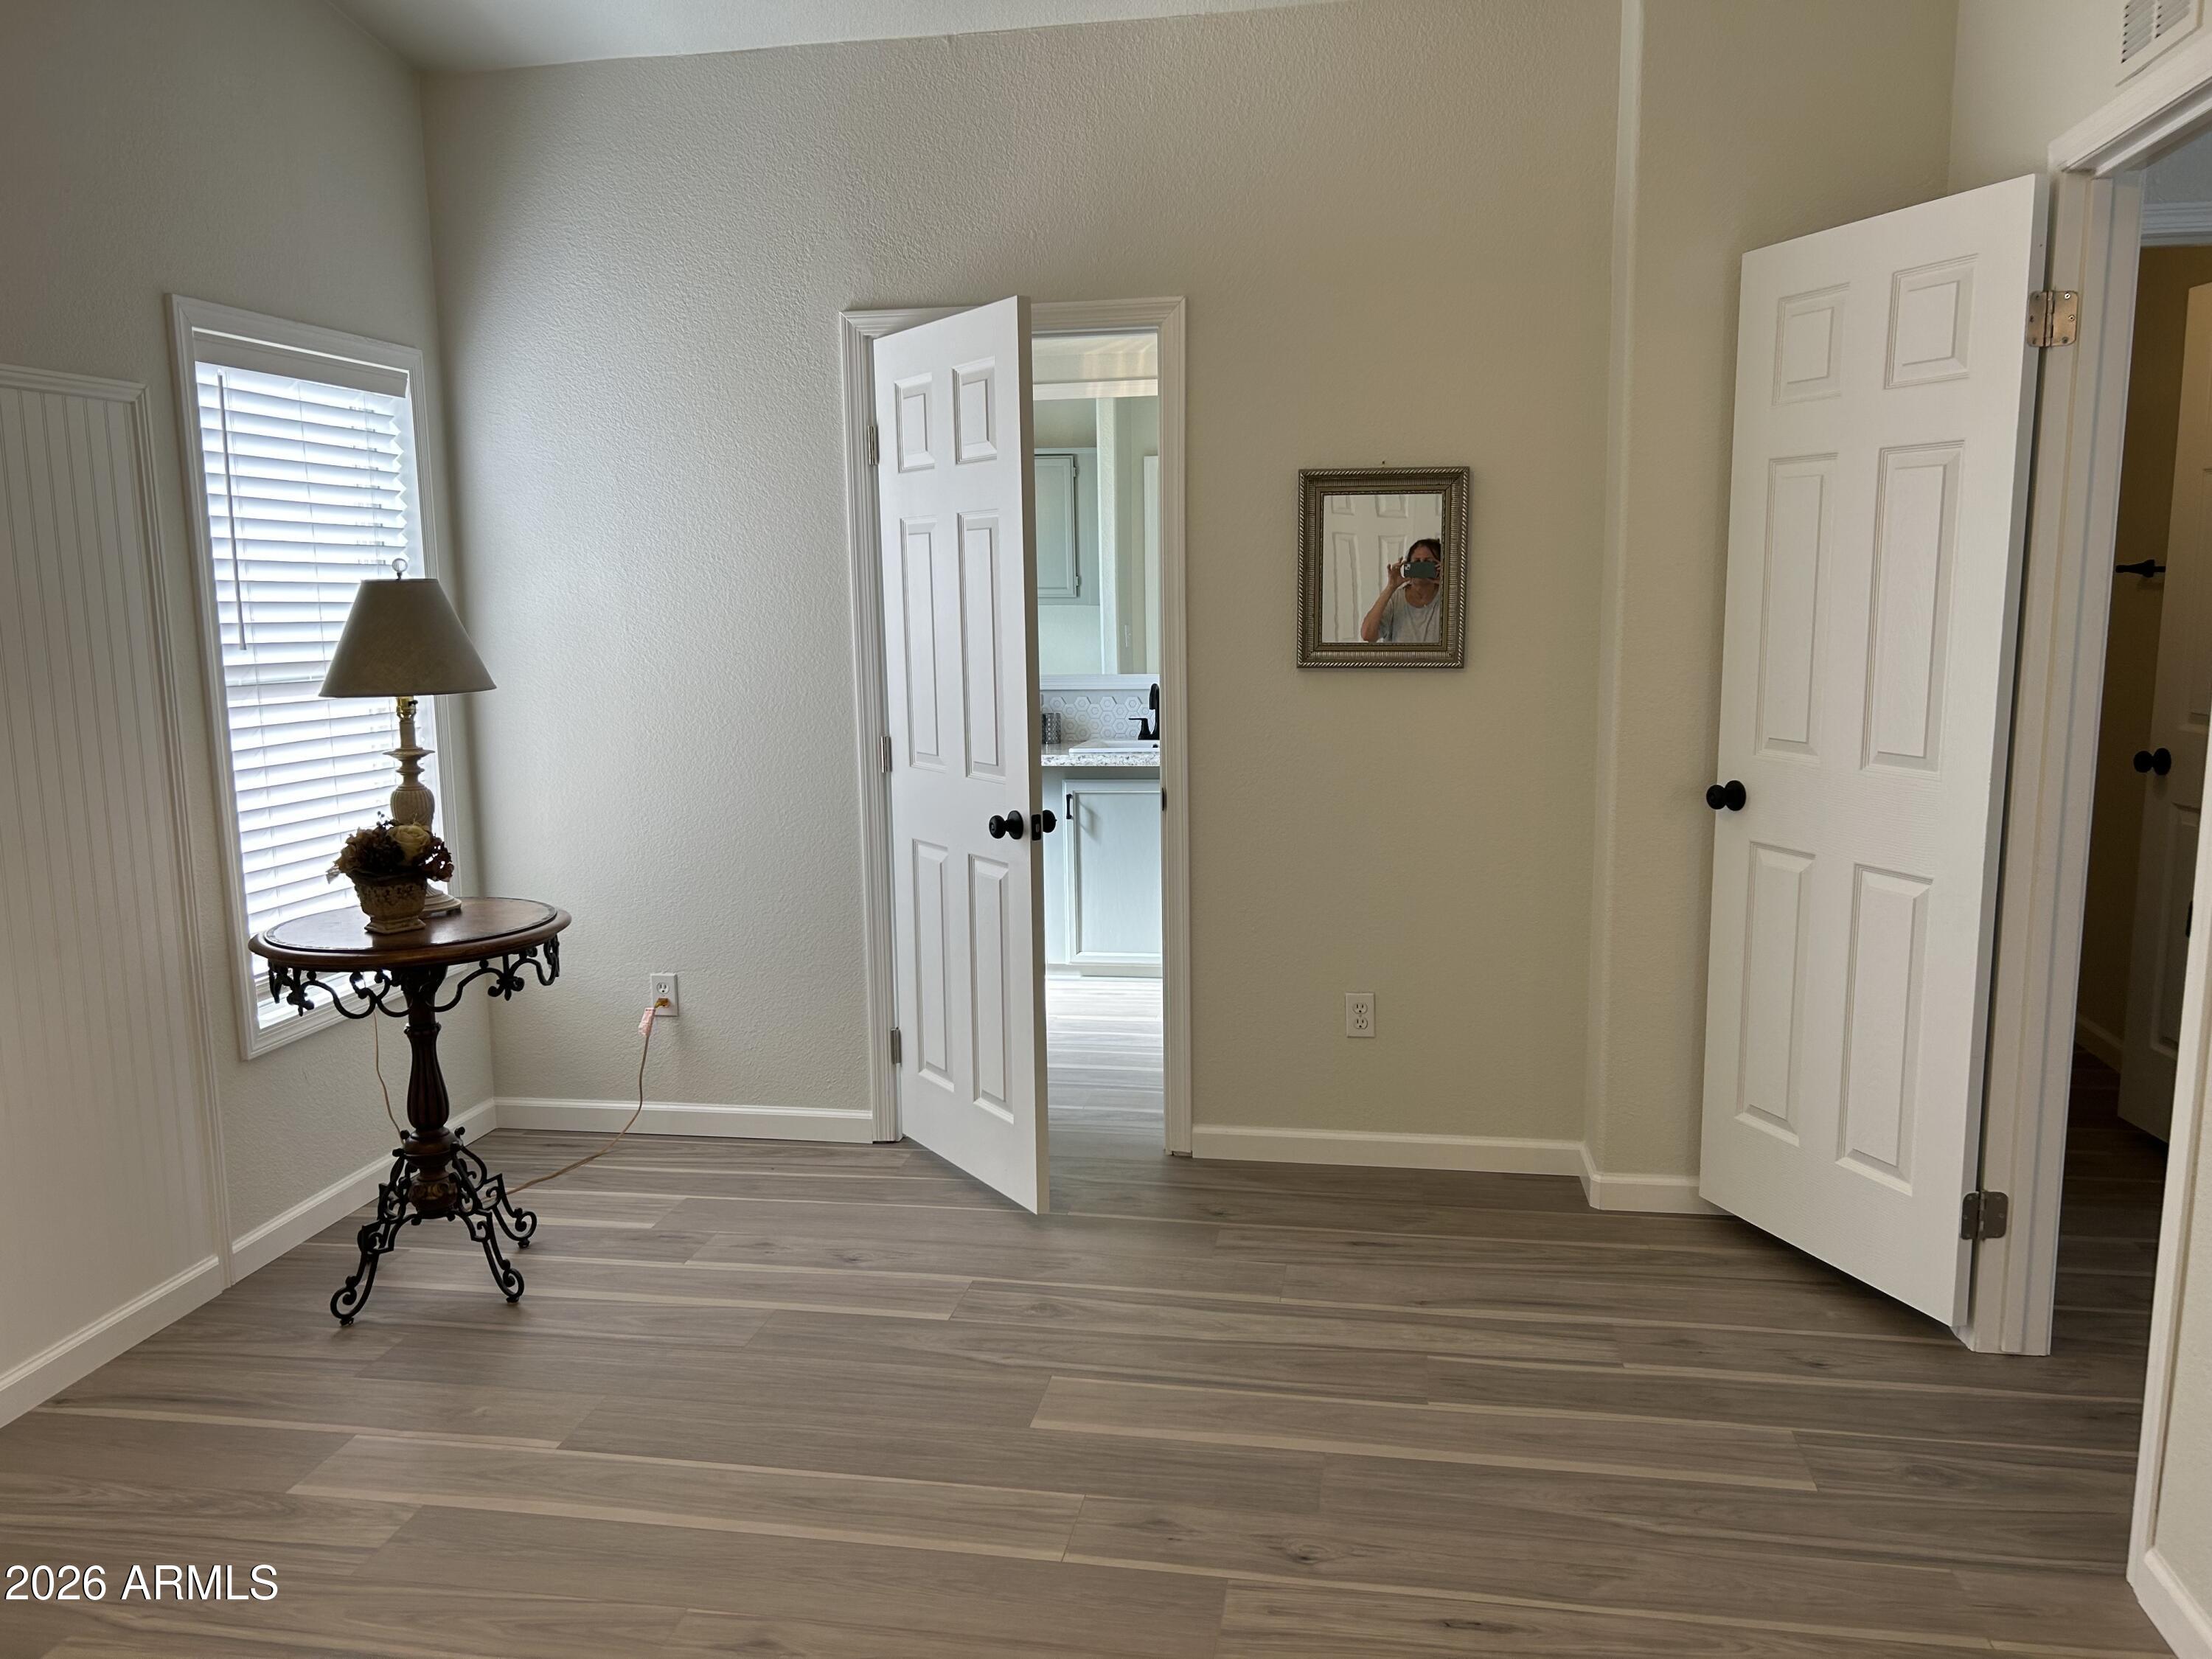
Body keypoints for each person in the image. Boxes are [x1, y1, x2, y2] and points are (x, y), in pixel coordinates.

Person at [1360, 538, 1444, 644]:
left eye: (1428, 562)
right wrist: (1391, 587)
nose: (1421, 566)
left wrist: (1448, 582)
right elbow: (1368, 635)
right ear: (1408, 565)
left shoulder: (1448, 597)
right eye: (1416, 562)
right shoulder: (1395, 599)